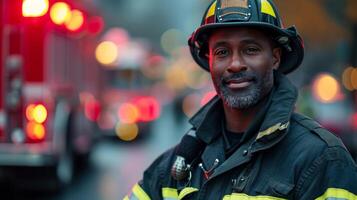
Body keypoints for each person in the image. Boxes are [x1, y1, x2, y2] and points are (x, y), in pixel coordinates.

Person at [124, 0, 357, 199]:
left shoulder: (322, 160)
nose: (235, 64)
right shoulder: (178, 165)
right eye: (222, 52)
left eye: (251, 49)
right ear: (210, 61)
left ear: (275, 58)